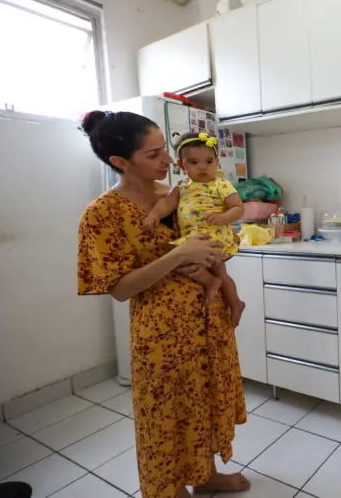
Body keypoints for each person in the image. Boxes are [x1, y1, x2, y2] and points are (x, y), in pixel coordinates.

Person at [77, 111, 250, 498]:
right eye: (155, 154)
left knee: (204, 402)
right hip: (163, 335)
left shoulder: (180, 193)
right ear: (122, 162)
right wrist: (176, 256)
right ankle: (168, 491)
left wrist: (221, 245)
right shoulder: (101, 214)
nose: (169, 162)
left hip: (209, 319)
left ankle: (204, 476)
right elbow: (120, 289)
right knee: (165, 417)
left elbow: (218, 235)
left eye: (165, 152)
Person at [144, 131, 246, 327]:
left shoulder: (221, 185)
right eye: (193, 162)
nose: (202, 167)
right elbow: (166, 204)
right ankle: (223, 291)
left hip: (214, 234)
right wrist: (154, 215)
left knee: (216, 270)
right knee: (188, 264)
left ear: (217, 162)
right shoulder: (181, 186)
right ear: (182, 165)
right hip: (193, 239)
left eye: (208, 161)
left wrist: (222, 217)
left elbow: (238, 208)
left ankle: (228, 297)